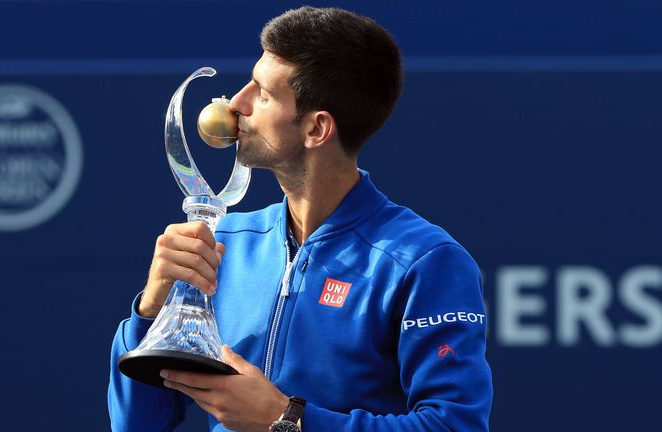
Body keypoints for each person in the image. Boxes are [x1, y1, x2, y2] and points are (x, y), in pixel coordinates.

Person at [109, 6, 492, 432]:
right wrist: (153, 308)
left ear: (317, 129)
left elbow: (454, 425)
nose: (236, 104)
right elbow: (136, 425)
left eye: (264, 93)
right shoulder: (225, 242)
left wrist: (284, 418)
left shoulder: (424, 262)